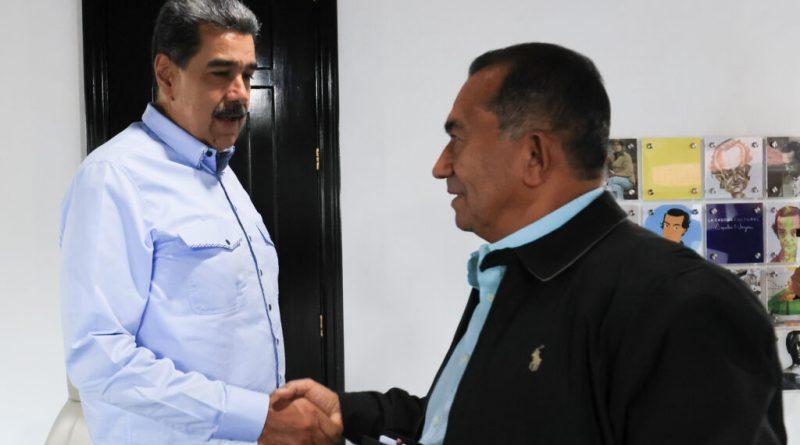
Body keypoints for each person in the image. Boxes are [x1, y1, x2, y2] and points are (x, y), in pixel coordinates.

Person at [275, 43, 786, 444]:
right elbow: (472, 421)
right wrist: (350, 413)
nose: (441, 166)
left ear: (534, 156)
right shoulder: (513, 275)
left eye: (457, 138)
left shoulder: (682, 304)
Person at [58, 1, 340, 444]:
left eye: (247, 75)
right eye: (220, 73)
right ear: (167, 75)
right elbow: (98, 356)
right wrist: (255, 418)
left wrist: (267, 418)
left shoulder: (223, 176)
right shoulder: (114, 178)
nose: (241, 93)